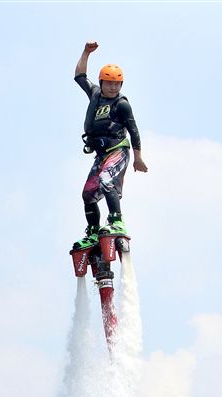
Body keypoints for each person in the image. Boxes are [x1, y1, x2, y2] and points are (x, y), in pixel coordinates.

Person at [73, 41, 148, 249]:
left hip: (118, 150)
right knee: (88, 194)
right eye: (109, 83)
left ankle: (116, 221)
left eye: (117, 84)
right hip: (101, 154)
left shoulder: (122, 105)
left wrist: (138, 157)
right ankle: (93, 233)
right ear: (102, 83)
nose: (114, 87)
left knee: (107, 180)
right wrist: (86, 52)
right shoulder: (96, 95)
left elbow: (133, 130)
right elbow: (79, 76)